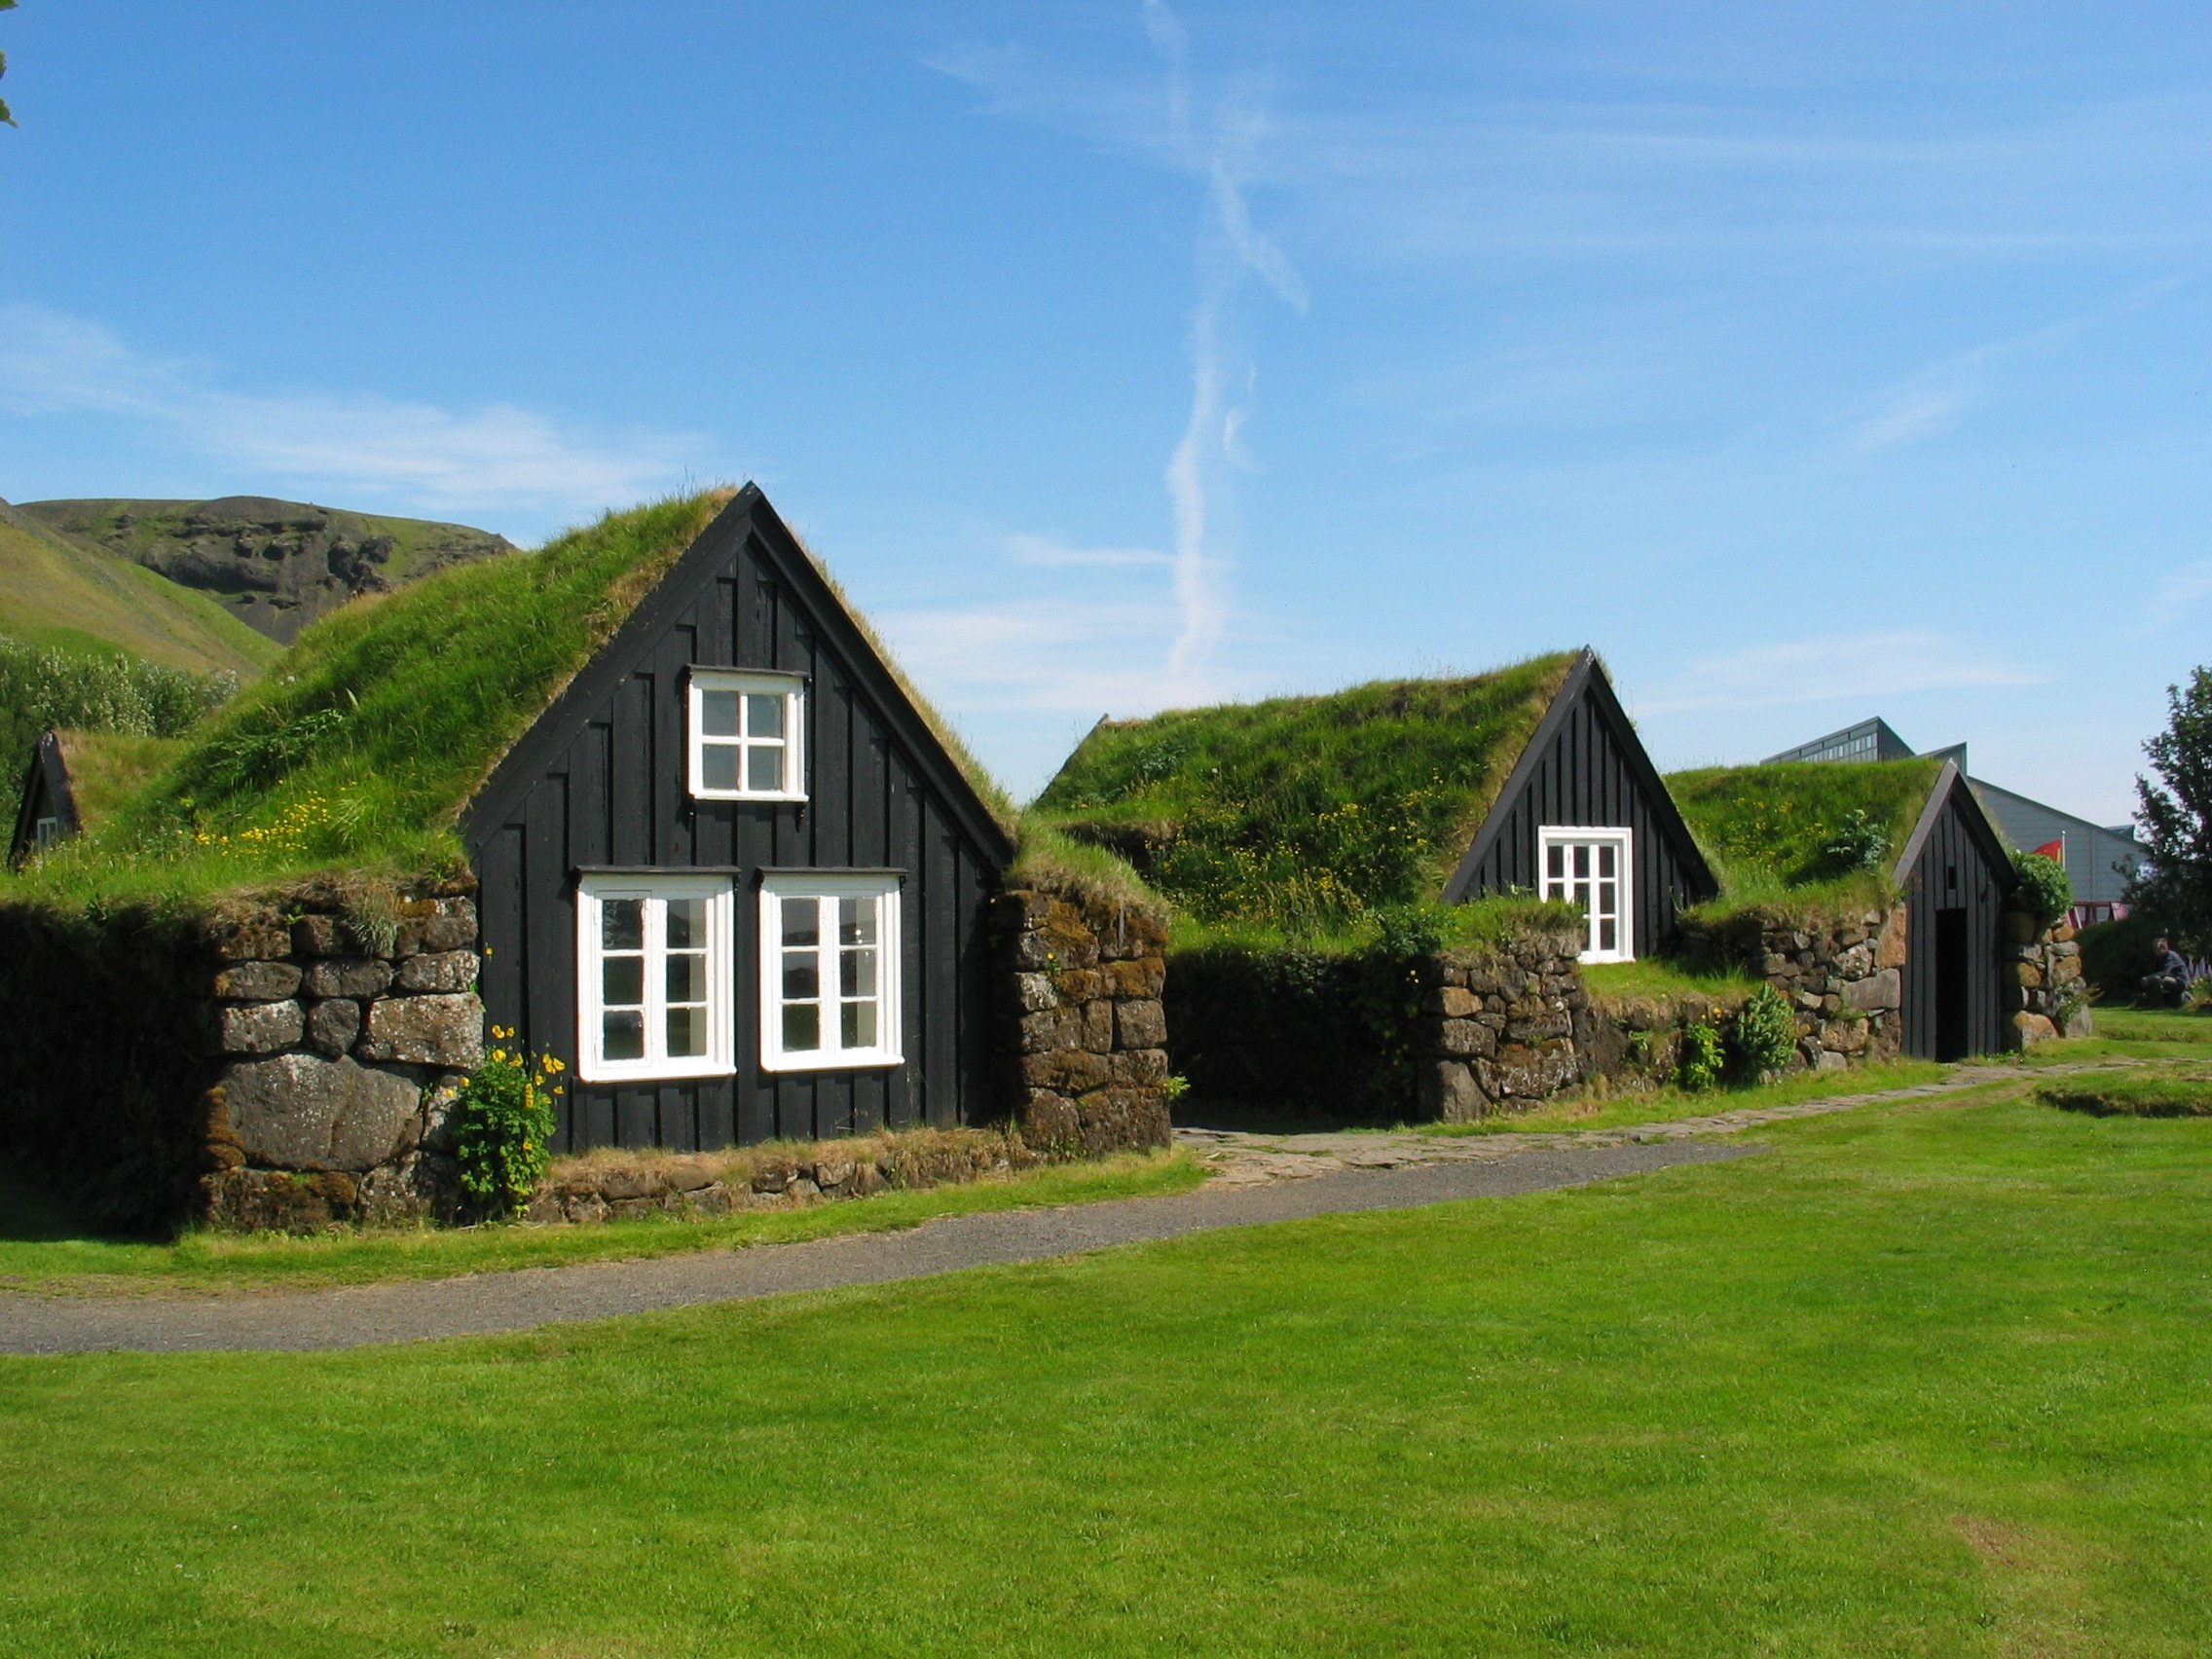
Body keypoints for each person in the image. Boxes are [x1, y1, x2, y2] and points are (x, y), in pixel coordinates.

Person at [2141, 937, 2191, 1008]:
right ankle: (2150, 1002)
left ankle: (2159, 1004)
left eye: (2158, 948)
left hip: (2179, 980)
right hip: (2171, 978)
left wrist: (2148, 978)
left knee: (2157, 979)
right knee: (2153, 980)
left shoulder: (2170, 956)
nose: (2156, 950)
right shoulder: (2160, 958)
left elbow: (2164, 972)